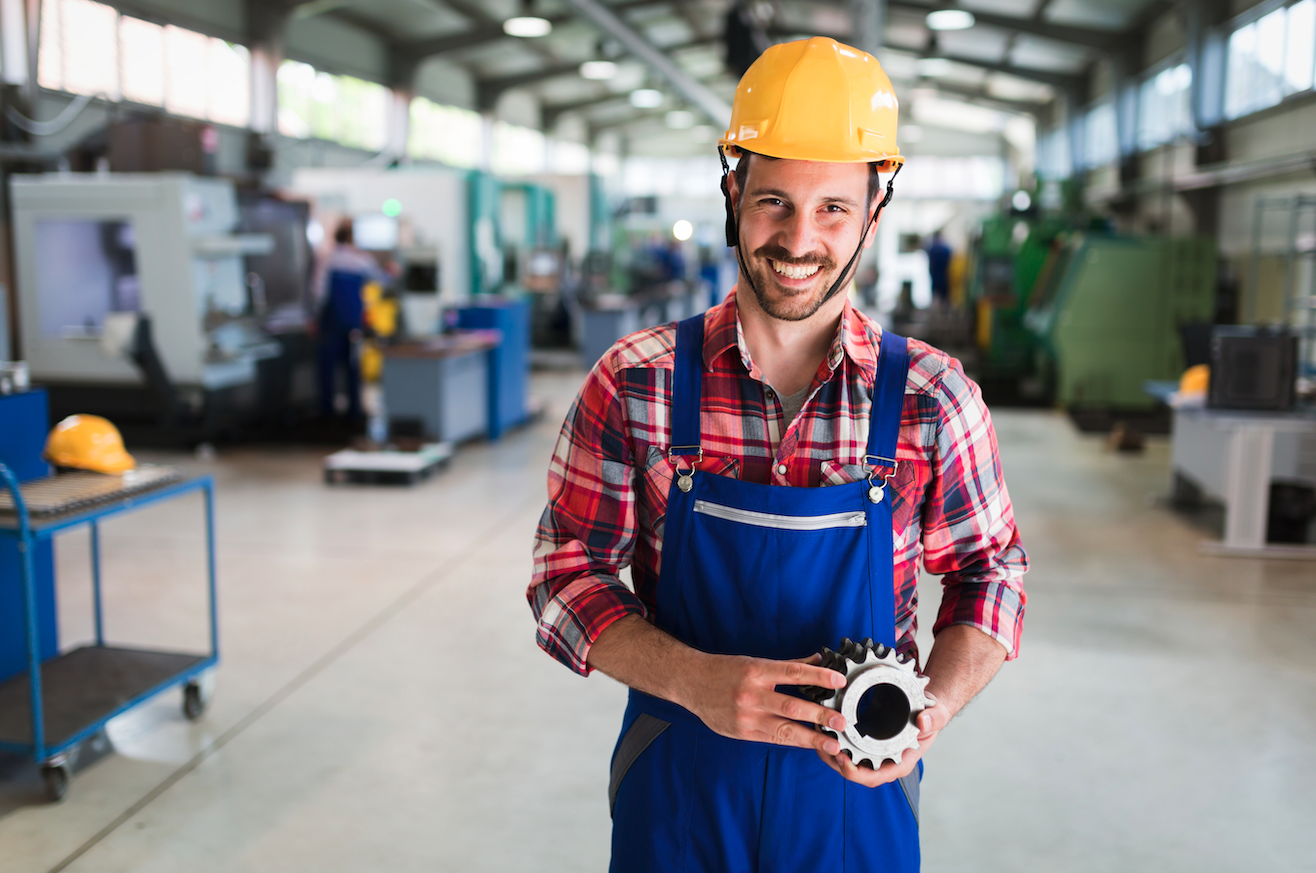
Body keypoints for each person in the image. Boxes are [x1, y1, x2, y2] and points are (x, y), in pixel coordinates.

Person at [528, 37, 1027, 873]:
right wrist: (692, 680)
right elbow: (562, 574)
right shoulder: (636, 383)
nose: (799, 239)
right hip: (679, 790)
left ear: (875, 211)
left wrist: (929, 707)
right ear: (732, 193)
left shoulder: (933, 400)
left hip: (854, 803)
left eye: (833, 208)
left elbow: (991, 571)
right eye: (773, 202)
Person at [311, 219, 390, 421]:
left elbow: (318, 291)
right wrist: (392, 271)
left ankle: (327, 412)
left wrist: (313, 317)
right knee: (353, 367)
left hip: (331, 322)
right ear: (352, 237)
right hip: (353, 322)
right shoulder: (361, 260)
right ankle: (354, 411)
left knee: (327, 369)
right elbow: (381, 279)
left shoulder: (327, 259)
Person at [925, 229, 952, 307]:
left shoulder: (932, 249)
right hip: (943, 277)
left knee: (936, 299)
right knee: (944, 300)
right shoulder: (945, 249)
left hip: (937, 278)